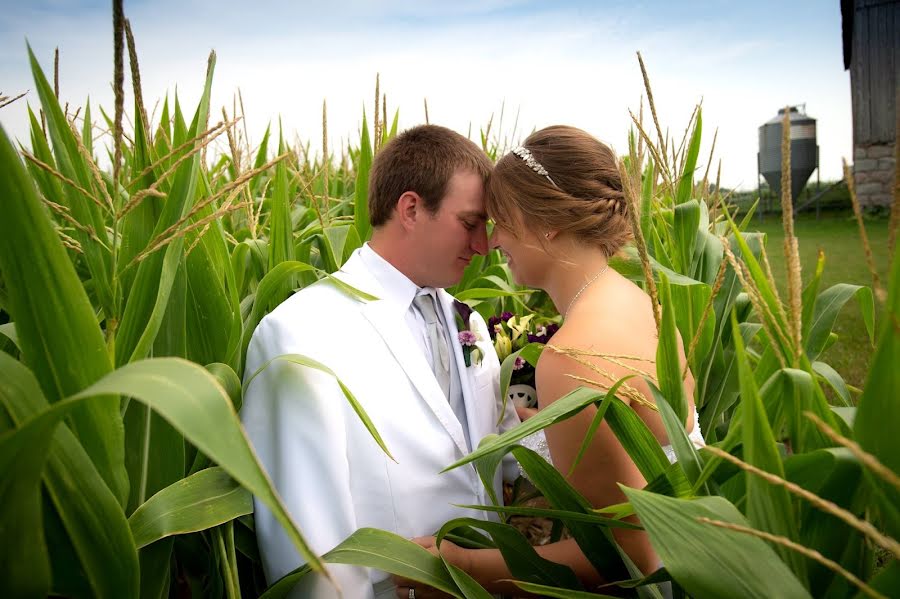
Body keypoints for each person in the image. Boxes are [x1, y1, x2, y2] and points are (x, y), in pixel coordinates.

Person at [395, 125, 704, 596]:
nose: (492, 242)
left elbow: (630, 556)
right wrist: (540, 425)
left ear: (548, 222)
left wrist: (460, 567)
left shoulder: (572, 356)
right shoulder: (642, 304)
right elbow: (641, 449)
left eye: (501, 220)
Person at [241, 124, 521, 599]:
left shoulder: (468, 320)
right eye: (470, 223)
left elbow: (496, 448)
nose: (481, 246)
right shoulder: (301, 332)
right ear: (411, 209)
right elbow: (309, 544)